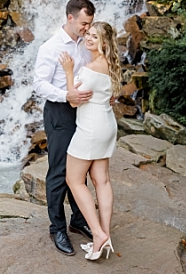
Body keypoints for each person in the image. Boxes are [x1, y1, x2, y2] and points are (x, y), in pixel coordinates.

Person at [33, 0, 96, 256]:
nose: (87, 27)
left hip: (82, 112)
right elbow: (39, 84)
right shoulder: (51, 47)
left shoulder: (85, 42)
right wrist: (65, 96)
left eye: (90, 23)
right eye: (83, 23)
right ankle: (57, 227)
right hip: (59, 112)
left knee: (79, 169)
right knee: (59, 171)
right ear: (70, 17)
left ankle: (78, 219)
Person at [59, 21, 122, 261]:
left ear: (104, 43)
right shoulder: (111, 65)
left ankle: (97, 234)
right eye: (88, 34)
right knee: (101, 180)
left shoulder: (91, 68)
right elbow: (111, 95)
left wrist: (68, 70)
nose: (88, 38)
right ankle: (105, 234)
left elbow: (74, 100)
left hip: (90, 128)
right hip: (106, 125)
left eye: (94, 36)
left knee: (74, 180)